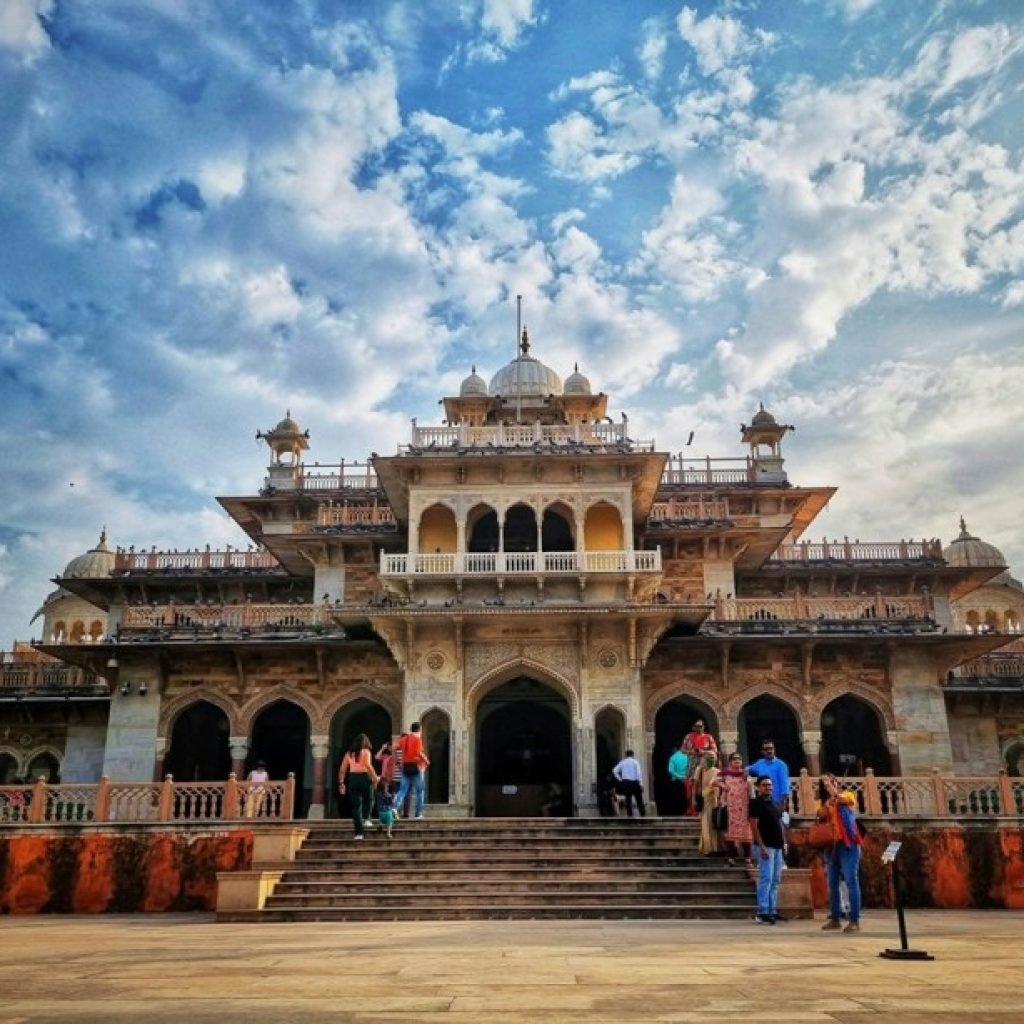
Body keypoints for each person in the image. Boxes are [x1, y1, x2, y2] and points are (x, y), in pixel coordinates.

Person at [819, 774, 864, 933]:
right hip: (832, 846)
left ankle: (854, 919)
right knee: (832, 883)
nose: (829, 784)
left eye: (832, 781)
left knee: (851, 880)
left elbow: (844, 801)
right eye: (826, 783)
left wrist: (832, 791)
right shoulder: (826, 802)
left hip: (848, 843)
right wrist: (827, 804)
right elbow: (821, 816)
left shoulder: (848, 795)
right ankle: (835, 918)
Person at [748, 775, 788, 924]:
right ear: (758, 787)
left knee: (775, 879)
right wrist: (761, 845)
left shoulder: (774, 803)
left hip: (777, 845)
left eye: (770, 785)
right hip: (766, 845)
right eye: (765, 785)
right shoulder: (756, 804)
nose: (768, 788)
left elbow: (780, 824)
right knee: (766, 878)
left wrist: (784, 843)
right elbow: (754, 825)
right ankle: (763, 911)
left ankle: (772, 909)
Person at [338, 733, 379, 839]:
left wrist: (342, 783)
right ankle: (366, 819)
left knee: (356, 807)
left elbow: (343, 769)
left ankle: (359, 833)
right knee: (370, 799)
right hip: (364, 778)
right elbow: (368, 765)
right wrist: (375, 777)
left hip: (353, 779)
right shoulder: (366, 752)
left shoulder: (348, 753)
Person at [717, 753, 754, 866]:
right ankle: (731, 858)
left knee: (746, 833)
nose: (737, 761)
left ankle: (747, 858)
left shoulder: (745, 774)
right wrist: (723, 786)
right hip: (730, 807)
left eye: (739, 759)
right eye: (734, 759)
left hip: (744, 807)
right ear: (730, 761)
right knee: (730, 833)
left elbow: (751, 791)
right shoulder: (725, 773)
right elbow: (713, 782)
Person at [394, 722, 430, 820]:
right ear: (420, 729)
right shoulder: (417, 739)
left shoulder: (404, 739)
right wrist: (426, 760)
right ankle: (418, 814)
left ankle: (394, 807)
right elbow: (419, 752)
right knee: (419, 791)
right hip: (415, 766)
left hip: (406, 766)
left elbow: (394, 747)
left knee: (402, 790)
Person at [682, 720, 718, 813]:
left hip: (704, 763)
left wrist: (704, 752)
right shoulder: (689, 737)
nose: (699, 728)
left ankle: (705, 807)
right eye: (697, 726)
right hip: (692, 763)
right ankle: (691, 807)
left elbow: (714, 750)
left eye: (700, 726)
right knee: (691, 784)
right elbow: (683, 749)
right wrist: (692, 752)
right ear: (693, 727)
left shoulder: (708, 737)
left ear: (703, 727)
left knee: (705, 784)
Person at [746, 739, 790, 811]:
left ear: (774, 749)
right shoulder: (760, 763)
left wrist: (782, 804)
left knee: (777, 821)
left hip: (776, 801)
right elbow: (749, 768)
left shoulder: (781, 765)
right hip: (763, 801)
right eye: (766, 749)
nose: (769, 751)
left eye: (771, 748)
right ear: (762, 751)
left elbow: (785, 786)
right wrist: (745, 772)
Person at [696, 753, 722, 855]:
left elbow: (720, 786)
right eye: (708, 757)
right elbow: (696, 785)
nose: (710, 759)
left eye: (712, 758)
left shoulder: (718, 772)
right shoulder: (700, 770)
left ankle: (717, 848)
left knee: (715, 823)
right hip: (704, 799)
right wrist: (694, 799)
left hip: (714, 799)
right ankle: (707, 847)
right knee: (706, 823)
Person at [612, 749, 645, 817]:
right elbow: (638, 773)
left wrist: (620, 779)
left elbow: (614, 770)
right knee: (639, 800)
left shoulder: (623, 762)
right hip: (635, 782)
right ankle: (642, 815)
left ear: (626, 755)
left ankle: (630, 816)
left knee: (628, 799)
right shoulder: (635, 762)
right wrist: (641, 783)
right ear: (633, 755)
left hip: (626, 782)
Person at [666, 743, 689, 815]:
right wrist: (684, 777)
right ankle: (685, 812)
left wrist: (679, 777)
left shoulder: (673, 757)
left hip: (676, 781)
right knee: (686, 797)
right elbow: (690, 768)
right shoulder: (687, 756)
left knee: (676, 798)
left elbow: (670, 770)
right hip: (686, 780)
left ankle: (676, 813)